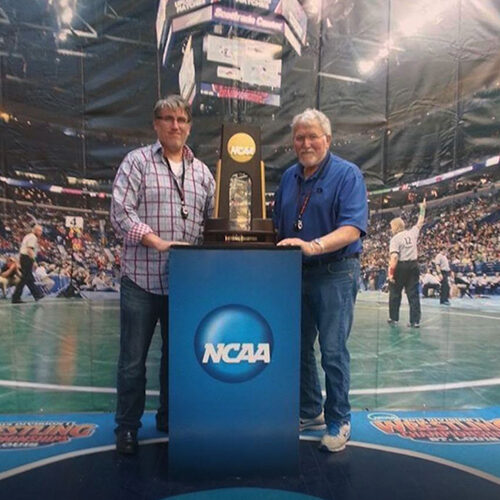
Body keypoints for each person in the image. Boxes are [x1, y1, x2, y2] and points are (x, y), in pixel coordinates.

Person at [110, 95, 215, 455]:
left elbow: (210, 224)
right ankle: (126, 426)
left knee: (178, 358)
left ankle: (170, 417)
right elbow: (120, 212)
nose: (175, 125)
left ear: (189, 125)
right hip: (141, 278)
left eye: (182, 119)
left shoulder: (203, 172)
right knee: (132, 360)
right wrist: (153, 240)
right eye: (168, 119)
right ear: (156, 124)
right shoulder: (136, 162)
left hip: (185, 285)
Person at [273, 108, 368, 453]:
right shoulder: (288, 178)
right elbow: (278, 228)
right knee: (298, 347)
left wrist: (313, 246)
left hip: (336, 272)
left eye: (313, 136)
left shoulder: (347, 175)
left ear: (327, 139)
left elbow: (352, 228)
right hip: (296, 273)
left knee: (331, 350)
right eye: (300, 137)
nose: (306, 143)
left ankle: (339, 418)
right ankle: (311, 409)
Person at [387, 199, 426, 327]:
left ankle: (394, 318)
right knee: (413, 294)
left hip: (401, 267)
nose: (391, 229)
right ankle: (414, 321)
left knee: (395, 293)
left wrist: (391, 274)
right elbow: (420, 223)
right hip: (413, 266)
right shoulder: (412, 233)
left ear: (395, 227)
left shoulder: (395, 239)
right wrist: (422, 209)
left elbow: (394, 258)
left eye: (392, 227)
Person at [11, 224, 44, 304]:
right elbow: (29, 250)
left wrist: (19, 261)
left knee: (27, 277)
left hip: (24, 258)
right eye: (40, 231)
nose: (41, 233)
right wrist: (34, 261)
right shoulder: (33, 237)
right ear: (35, 230)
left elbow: (22, 249)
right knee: (25, 277)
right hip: (27, 258)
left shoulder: (27, 236)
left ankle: (37, 294)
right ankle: (16, 297)